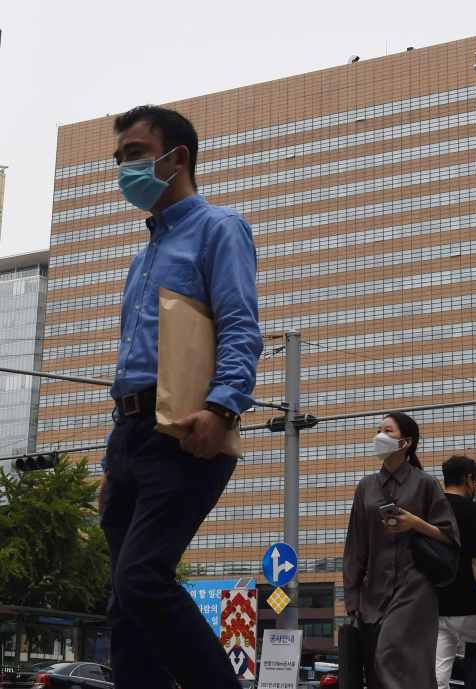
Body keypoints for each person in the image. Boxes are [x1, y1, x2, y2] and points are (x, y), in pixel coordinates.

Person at [98, 105, 263, 689]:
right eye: (119, 159)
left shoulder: (220, 227)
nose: (124, 169)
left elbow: (242, 328)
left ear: (178, 157)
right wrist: (111, 463)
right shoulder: (141, 260)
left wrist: (222, 409)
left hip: (186, 431)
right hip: (129, 440)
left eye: (137, 154)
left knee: (143, 579)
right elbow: (131, 367)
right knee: (125, 604)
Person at [343, 413, 459, 689]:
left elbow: (449, 536)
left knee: (387, 656)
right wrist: (352, 596)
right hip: (372, 596)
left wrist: (415, 523)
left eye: (388, 430)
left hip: (415, 590)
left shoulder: (425, 483)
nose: (380, 436)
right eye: (378, 430)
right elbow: (356, 545)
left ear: (406, 442)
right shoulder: (366, 487)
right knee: (393, 672)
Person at [435, 455, 476, 689]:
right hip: (470, 607)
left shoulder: (430, 509)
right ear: (469, 479)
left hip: (438, 606)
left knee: (438, 674)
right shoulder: (473, 510)